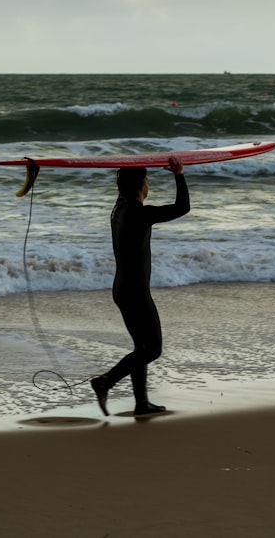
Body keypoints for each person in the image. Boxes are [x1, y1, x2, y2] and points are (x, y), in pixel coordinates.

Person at [90, 155, 190, 416]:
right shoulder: (139, 214)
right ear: (142, 185)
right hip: (135, 292)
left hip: (122, 289)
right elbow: (182, 208)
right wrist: (178, 174)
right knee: (153, 349)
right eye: (146, 180)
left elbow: (128, 183)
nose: (148, 185)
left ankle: (141, 403)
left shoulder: (119, 208)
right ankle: (105, 381)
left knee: (141, 349)